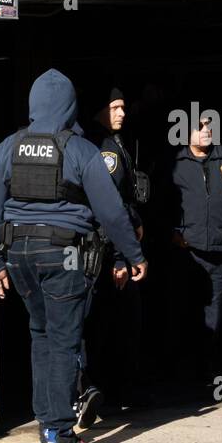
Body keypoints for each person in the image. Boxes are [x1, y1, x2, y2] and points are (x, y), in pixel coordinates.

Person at [0, 69, 146, 443]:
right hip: (64, 256)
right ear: (70, 105)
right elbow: (111, 212)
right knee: (64, 342)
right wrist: (133, 256)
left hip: (19, 256)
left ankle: (46, 426)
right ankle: (60, 437)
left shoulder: (8, 147)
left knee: (42, 336)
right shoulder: (80, 149)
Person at [164, 111, 222, 375]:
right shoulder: (176, 162)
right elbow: (164, 203)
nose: (205, 130)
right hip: (188, 250)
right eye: (198, 126)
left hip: (221, 248)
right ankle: (178, 366)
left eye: (208, 125)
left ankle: (207, 365)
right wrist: (174, 231)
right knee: (184, 308)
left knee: (215, 310)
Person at [82, 86, 148, 420]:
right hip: (108, 251)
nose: (122, 113)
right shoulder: (100, 146)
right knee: (107, 327)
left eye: (123, 106)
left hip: (118, 245)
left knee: (124, 325)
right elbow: (108, 204)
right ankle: (107, 393)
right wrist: (122, 257)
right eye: (115, 107)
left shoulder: (115, 139)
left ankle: (122, 389)